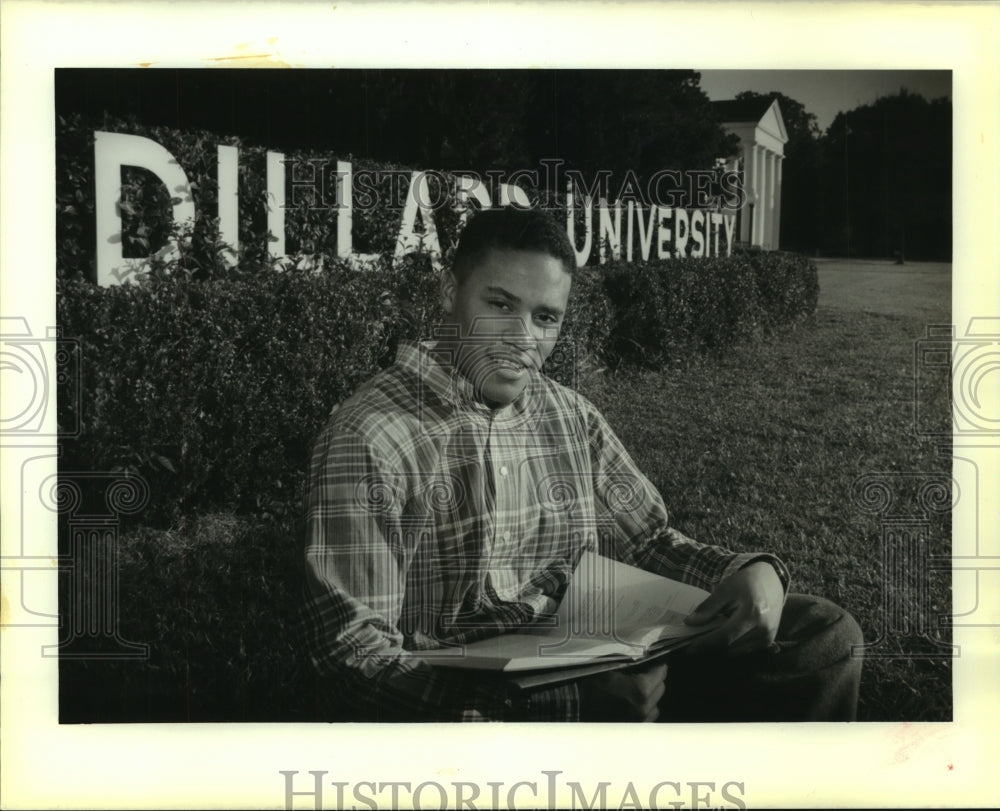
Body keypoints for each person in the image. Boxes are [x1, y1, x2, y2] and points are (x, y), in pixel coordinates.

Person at [299, 207, 863, 722]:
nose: (523, 340)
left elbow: (646, 541)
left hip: (596, 655)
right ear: (450, 290)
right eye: (499, 305)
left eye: (546, 317)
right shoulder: (371, 435)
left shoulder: (569, 414)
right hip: (478, 712)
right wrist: (565, 708)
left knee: (824, 635)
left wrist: (748, 571)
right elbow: (353, 658)